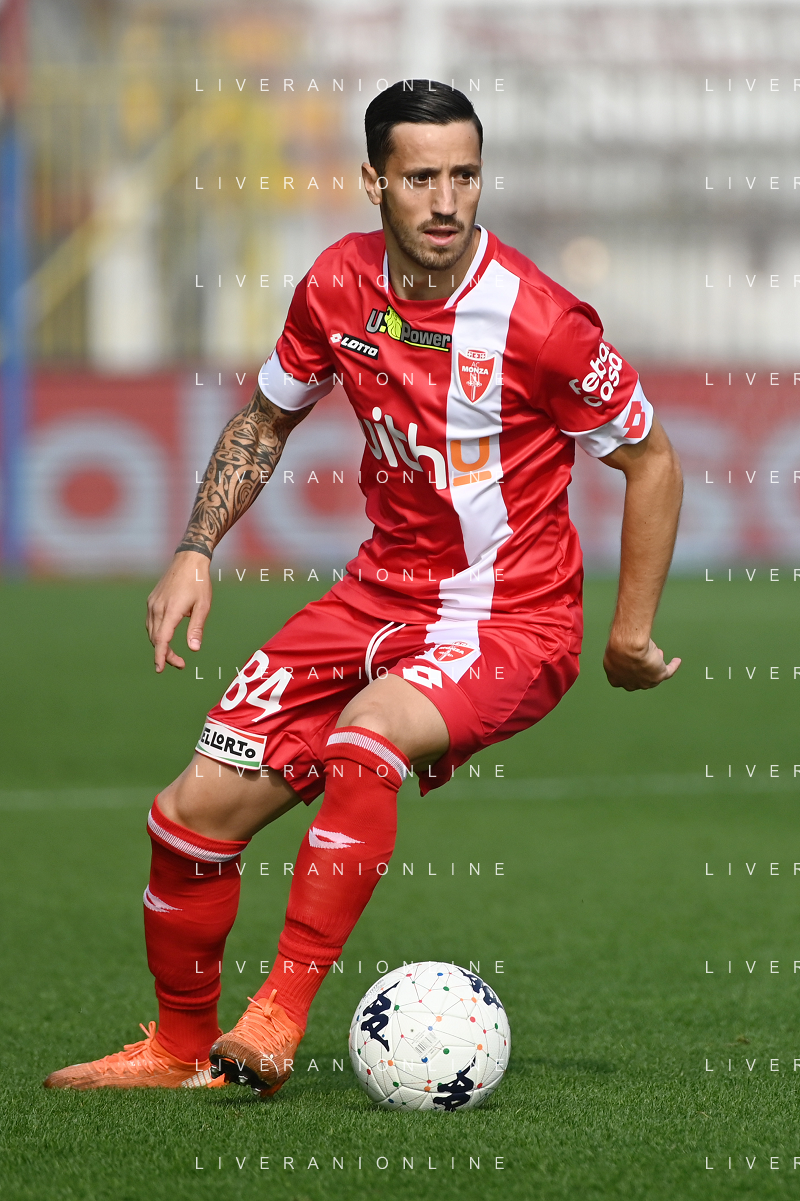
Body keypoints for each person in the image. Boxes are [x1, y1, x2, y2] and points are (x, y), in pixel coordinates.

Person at [44, 80, 682, 1096]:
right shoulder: (337, 283)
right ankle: (176, 1048)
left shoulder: (541, 321)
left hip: (509, 620)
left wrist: (628, 633)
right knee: (189, 816)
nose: (446, 201)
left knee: (366, 736)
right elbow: (266, 418)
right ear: (373, 181)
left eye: (464, 175)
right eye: (421, 177)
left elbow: (650, 459)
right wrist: (196, 547)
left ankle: (278, 1014)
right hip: (374, 598)